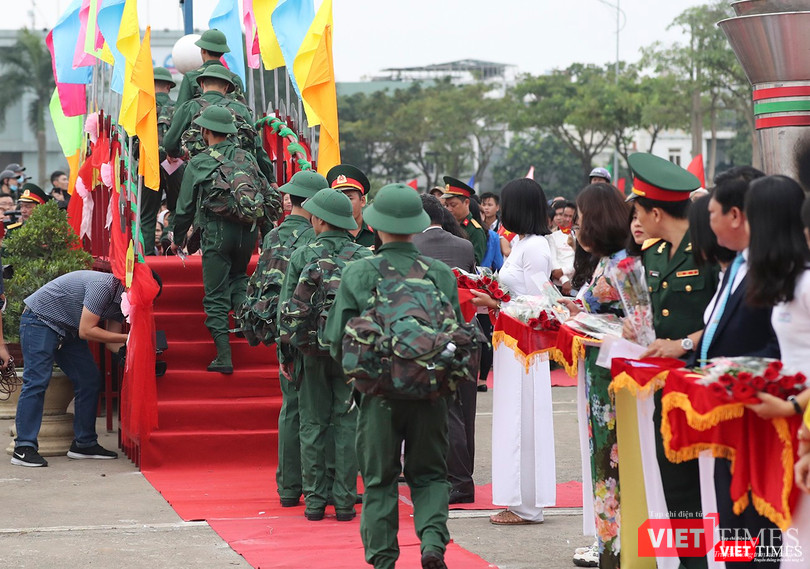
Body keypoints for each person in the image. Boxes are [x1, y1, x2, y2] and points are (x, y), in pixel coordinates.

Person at [324, 184, 462, 569]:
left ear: (375, 224)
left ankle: (384, 560)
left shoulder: (359, 272)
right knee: (431, 475)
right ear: (418, 226)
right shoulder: (439, 274)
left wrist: (361, 377)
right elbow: (456, 334)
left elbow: (335, 339)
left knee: (380, 480)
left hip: (378, 394)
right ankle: (432, 542)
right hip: (430, 392)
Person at [686, 168, 784, 567]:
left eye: (711, 214)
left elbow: (776, 347)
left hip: (761, 413)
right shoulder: (737, 267)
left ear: (737, 216)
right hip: (729, 414)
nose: (706, 225)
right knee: (731, 526)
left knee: (759, 530)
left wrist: (730, 374)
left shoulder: (775, 271)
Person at [626, 152, 718, 569]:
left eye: (640, 210)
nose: (637, 219)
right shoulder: (655, 253)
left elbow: (724, 315)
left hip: (708, 386)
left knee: (717, 486)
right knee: (676, 485)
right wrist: (638, 330)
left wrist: (683, 341)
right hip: (667, 388)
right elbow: (654, 312)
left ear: (657, 212)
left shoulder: (711, 252)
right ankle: (690, 562)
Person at [278, 188, 371, 523]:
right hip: (351, 351)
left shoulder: (303, 254)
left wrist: (286, 354)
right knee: (347, 424)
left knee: (313, 423)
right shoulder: (362, 256)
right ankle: (345, 502)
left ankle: (315, 503)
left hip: (310, 351)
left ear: (318, 219)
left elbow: (287, 308)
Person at [470, 178, 555, 526]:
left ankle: (528, 506)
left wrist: (494, 299)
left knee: (524, 419)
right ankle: (516, 499)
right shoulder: (520, 244)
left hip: (526, 345)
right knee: (512, 418)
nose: (500, 212)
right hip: (509, 339)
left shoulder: (535, 248)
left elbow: (540, 306)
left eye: (505, 205)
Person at [169, 106, 278, 374]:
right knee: (239, 277)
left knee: (216, 294)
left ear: (206, 131)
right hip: (247, 230)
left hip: (217, 232)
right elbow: (263, 192)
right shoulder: (247, 158)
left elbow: (184, 208)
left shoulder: (198, 162)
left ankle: (224, 357)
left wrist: (178, 238)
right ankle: (243, 324)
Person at [240, 171, 325, 508]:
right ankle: (317, 484)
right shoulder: (313, 238)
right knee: (315, 411)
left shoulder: (275, 234)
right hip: (306, 328)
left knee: (291, 408)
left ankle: (289, 488)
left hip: (277, 326)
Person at [555, 184, 629, 568]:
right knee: (604, 462)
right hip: (601, 374)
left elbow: (636, 324)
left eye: (579, 221)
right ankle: (608, 544)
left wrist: (576, 314)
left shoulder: (621, 264)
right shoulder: (608, 261)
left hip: (614, 375)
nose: (574, 229)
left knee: (610, 462)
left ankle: (614, 548)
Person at [11, 270, 131, 467]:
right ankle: (23, 448)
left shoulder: (123, 302)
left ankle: (84, 443)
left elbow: (112, 342)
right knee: (37, 381)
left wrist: (137, 351)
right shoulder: (104, 286)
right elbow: (86, 330)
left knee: (89, 379)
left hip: (67, 329)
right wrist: (129, 338)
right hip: (40, 320)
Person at [412, 193, 478, 504]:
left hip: (434, 336)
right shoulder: (464, 245)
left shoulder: (412, 246)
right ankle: (464, 474)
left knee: (444, 411)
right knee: (466, 411)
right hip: (469, 334)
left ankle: (458, 480)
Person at [140, 66, 179, 249]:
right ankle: (168, 237)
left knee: (147, 214)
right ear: (169, 87)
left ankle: (147, 255)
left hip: (148, 165)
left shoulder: (140, 110)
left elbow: (131, 141)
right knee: (178, 207)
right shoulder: (178, 108)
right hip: (175, 163)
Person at [174, 29, 246, 109]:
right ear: (222, 53)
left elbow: (180, 112)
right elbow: (243, 111)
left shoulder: (191, 77)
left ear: (203, 51)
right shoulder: (234, 78)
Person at [325, 164, 375, 247]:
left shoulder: (378, 232)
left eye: (349, 198)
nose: (344, 203)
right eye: (339, 198)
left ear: (362, 201)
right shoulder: (328, 234)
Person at [442, 176, 487, 264]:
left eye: (453, 205)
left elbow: (475, 263)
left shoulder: (475, 230)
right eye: (446, 205)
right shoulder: (444, 225)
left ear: (466, 203)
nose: (449, 209)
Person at [547, 200, 576, 295]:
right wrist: (564, 280)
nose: (567, 219)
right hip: (557, 285)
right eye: (564, 215)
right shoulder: (552, 236)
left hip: (576, 285)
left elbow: (579, 261)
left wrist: (563, 271)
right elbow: (553, 260)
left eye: (570, 216)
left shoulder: (579, 237)